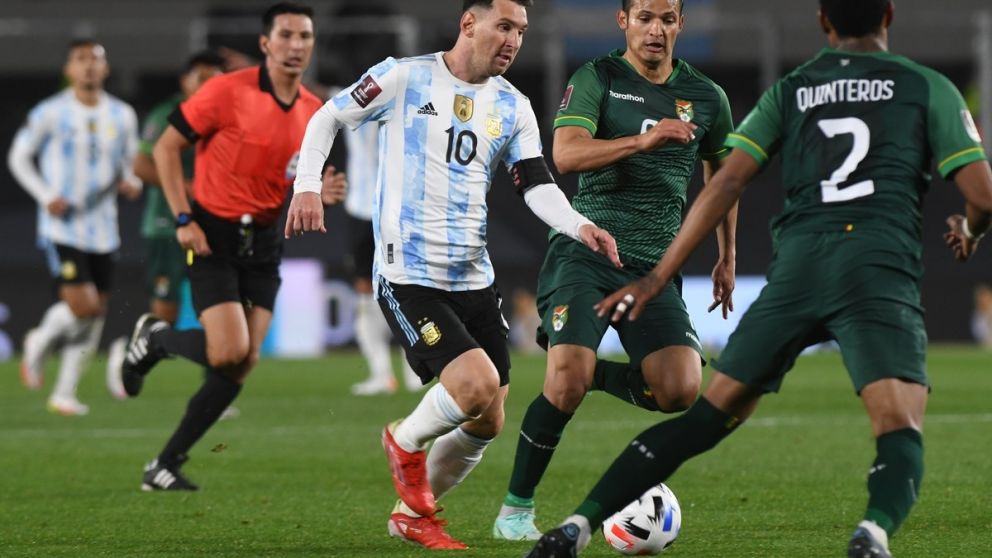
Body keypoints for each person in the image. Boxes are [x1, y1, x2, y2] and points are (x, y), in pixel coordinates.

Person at [526, 1, 992, 557]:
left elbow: (725, 183)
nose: (656, 28)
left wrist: (661, 277)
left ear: (823, 20)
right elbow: (982, 194)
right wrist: (969, 228)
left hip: (798, 271)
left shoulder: (792, 89)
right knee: (899, 422)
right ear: (889, 15)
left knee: (701, 413)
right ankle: (872, 533)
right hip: (875, 267)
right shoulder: (926, 85)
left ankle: (575, 527)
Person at [287, 0, 621, 548]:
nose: (514, 40)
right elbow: (327, 116)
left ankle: (411, 515)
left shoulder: (513, 105)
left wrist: (578, 225)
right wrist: (306, 185)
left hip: (473, 277)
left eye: (522, 31)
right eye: (505, 26)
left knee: (489, 418)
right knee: (475, 385)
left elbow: (535, 182)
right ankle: (403, 439)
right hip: (408, 273)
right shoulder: (402, 76)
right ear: (470, 23)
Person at [494, 0, 736, 540]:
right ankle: (515, 510)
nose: (657, 29)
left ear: (681, 25)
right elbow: (567, 155)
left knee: (679, 391)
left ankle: (592, 375)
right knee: (564, 383)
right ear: (623, 21)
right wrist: (643, 140)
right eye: (645, 17)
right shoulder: (598, 77)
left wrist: (728, 253)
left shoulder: (707, 97)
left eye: (668, 19)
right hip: (588, 250)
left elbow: (724, 176)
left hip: (654, 267)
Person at [113, 2, 339, 491]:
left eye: (305, 36)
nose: (296, 45)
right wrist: (182, 217)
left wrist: (317, 190)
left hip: (262, 241)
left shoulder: (314, 112)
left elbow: (292, 176)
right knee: (229, 350)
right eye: (286, 35)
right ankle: (154, 339)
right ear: (265, 43)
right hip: (211, 232)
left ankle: (164, 464)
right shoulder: (226, 90)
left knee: (244, 360)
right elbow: (167, 148)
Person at [9, 39, 141, 416]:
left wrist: (132, 180)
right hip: (62, 226)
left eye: (95, 60)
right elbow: (18, 156)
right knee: (83, 307)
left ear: (106, 69)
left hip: (104, 228)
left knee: (96, 313)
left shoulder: (122, 114)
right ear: (68, 69)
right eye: (80, 60)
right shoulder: (50, 112)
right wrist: (44, 193)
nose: (88, 67)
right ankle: (39, 339)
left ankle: (64, 392)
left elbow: (131, 162)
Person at [106, 51, 226, 402]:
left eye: (215, 78)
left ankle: (215, 389)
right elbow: (141, 165)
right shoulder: (167, 114)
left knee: (219, 308)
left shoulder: (225, 114)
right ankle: (129, 350)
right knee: (166, 314)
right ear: (184, 82)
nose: (208, 85)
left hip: (215, 224)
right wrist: (186, 187)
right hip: (167, 224)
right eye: (201, 77)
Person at [338, 122, 424, 396]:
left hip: (386, 208)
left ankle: (405, 371)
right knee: (371, 289)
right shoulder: (356, 97)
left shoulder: (359, 99)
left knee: (401, 287)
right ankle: (385, 374)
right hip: (373, 209)